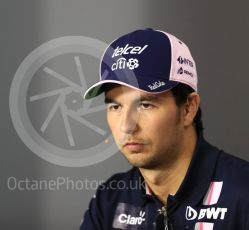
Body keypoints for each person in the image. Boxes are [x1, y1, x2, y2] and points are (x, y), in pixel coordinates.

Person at [80, 28, 249, 230]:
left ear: (188, 108)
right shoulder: (110, 199)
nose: (127, 125)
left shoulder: (243, 194)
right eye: (116, 106)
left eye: (145, 104)